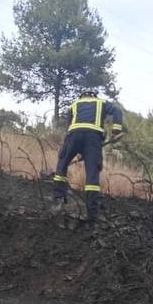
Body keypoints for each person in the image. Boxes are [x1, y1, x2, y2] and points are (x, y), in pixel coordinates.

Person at [51, 91, 124, 222]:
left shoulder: (74, 105)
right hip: (93, 139)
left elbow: (70, 128)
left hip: (73, 137)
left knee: (62, 164)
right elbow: (117, 111)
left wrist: (78, 150)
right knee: (92, 174)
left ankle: (58, 200)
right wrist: (116, 131)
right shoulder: (101, 102)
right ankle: (92, 213)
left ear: (82, 97)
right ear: (93, 96)